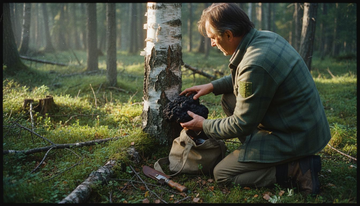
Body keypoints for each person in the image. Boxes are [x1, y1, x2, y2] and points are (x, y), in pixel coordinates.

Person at [179, 3, 331, 195]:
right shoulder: (265, 38)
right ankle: (257, 154)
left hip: (296, 137)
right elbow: (248, 79)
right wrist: (212, 86)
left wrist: (204, 125)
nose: (212, 44)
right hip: (302, 125)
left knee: (223, 173)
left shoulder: (255, 63)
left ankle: (296, 169)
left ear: (228, 34)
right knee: (229, 98)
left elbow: (240, 124)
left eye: (213, 38)